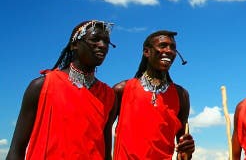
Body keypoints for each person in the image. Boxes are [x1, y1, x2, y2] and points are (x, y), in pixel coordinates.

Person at [7, 19, 117, 159]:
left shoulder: (108, 95)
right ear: (75, 45)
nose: (102, 45)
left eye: (106, 41)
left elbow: (106, 151)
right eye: (95, 39)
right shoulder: (42, 86)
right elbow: (16, 148)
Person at [113, 30, 195, 159]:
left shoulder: (181, 95)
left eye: (172, 47)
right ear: (147, 52)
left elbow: (183, 151)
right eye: (163, 46)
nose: (169, 51)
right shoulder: (122, 90)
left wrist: (187, 151)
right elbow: (103, 134)